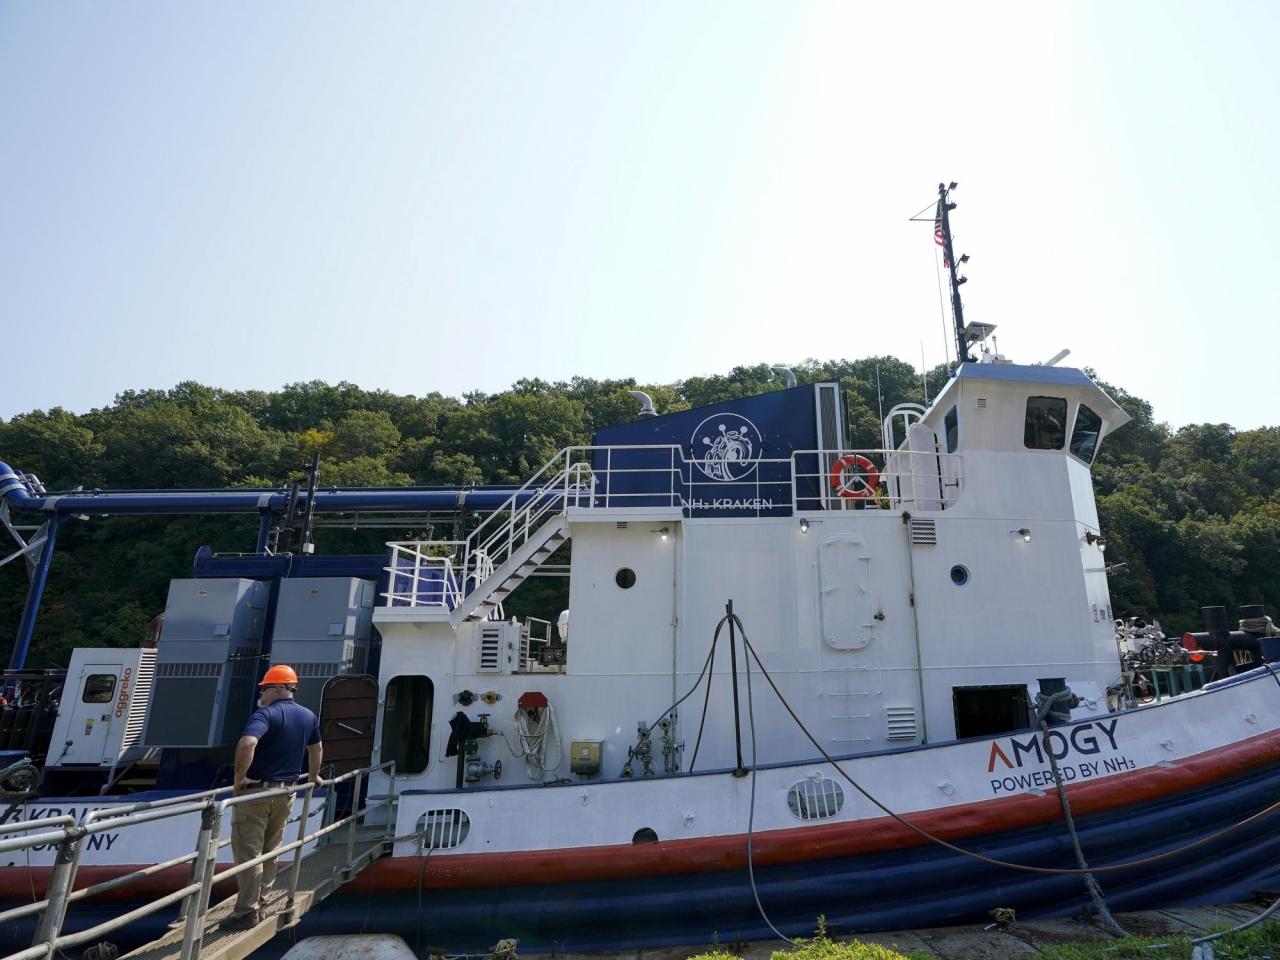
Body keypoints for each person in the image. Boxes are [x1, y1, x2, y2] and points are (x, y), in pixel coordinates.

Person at [224, 664, 323, 930]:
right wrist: (314, 777)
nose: (263, 694)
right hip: (287, 792)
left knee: (249, 854)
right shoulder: (307, 716)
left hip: (256, 793)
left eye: (265, 689)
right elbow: (317, 747)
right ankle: (263, 902)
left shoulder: (265, 714)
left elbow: (247, 743)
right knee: (271, 851)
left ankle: (246, 912)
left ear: (278, 688)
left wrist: (239, 778)